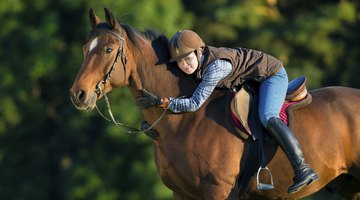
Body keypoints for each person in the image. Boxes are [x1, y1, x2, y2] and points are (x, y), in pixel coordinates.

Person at [135, 30, 318, 194]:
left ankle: (302, 168)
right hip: (249, 78)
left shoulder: (216, 67)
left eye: (187, 58)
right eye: (179, 62)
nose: (184, 65)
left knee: (267, 116)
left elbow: (194, 103)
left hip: (271, 75)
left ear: (199, 52)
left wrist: (162, 103)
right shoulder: (198, 65)